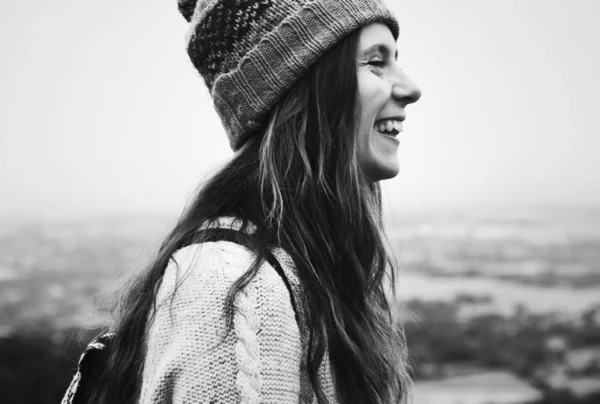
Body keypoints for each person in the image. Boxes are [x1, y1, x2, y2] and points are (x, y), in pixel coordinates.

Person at [62, 0, 421, 403]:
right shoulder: (237, 290)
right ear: (303, 88)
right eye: (375, 61)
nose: (411, 88)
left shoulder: (306, 267)